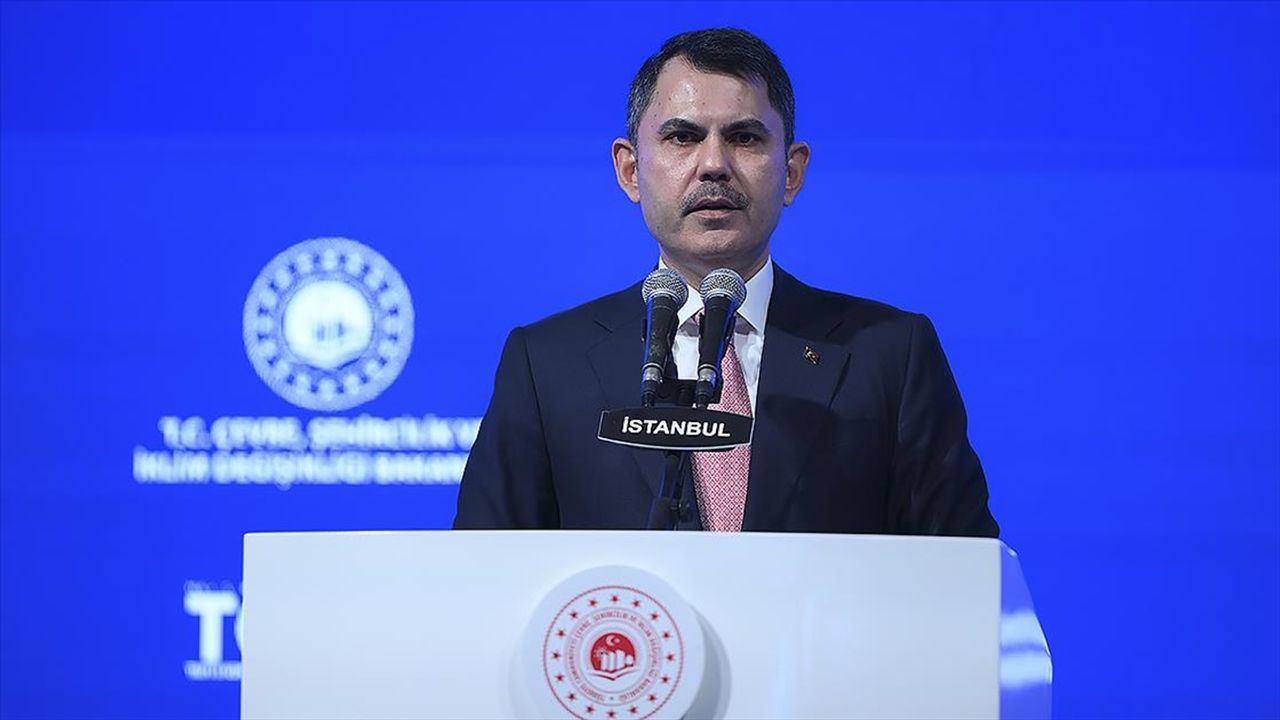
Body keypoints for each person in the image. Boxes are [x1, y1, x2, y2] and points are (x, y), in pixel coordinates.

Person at [453, 28, 998, 537]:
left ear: (792, 172)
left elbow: (963, 574)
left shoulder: (890, 356)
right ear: (630, 171)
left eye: (744, 137)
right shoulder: (547, 365)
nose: (713, 164)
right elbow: (483, 575)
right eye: (682, 137)